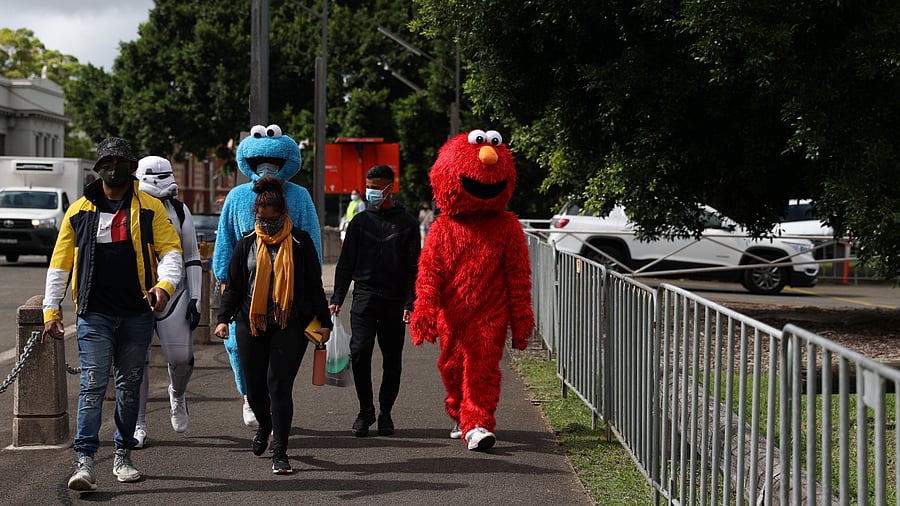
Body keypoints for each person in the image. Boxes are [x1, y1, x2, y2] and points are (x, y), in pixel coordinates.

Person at [42, 137, 184, 491]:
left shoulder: (151, 207)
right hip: (94, 314)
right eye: (107, 160)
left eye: (120, 160)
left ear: (132, 168)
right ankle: (85, 462)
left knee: (129, 385)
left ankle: (123, 456)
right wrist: (50, 310)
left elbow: (171, 253)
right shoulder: (79, 211)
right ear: (97, 167)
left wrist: (164, 287)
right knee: (91, 385)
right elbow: (60, 265)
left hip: (138, 312)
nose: (113, 166)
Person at [215, 176, 332, 475]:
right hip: (250, 322)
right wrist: (222, 319)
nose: (265, 225)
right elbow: (235, 287)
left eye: (271, 219)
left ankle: (280, 450)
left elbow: (314, 285)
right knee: (254, 390)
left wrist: (325, 321)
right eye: (260, 219)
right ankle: (264, 425)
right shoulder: (246, 244)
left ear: (283, 215)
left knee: (278, 385)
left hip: (289, 323)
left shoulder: (300, 242)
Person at [213, 124, 322, 428]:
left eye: (274, 163)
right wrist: (224, 278)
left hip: (288, 292)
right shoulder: (236, 197)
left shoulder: (299, 197)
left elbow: (311, 239)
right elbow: (226, 240)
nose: (267, 167)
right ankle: (250, 395)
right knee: (239, 347)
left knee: (281, 356)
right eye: (262, 162)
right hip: (246, 290)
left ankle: (275, 404)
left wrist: (312, 290)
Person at [329, 165, 420, 437]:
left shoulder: (407, 224)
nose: (371, 192)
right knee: (360, 353)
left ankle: (386, 411)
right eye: (369, 186)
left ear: (390, 187)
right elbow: (345, 264)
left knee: (392, 359)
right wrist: (337, 297)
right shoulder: (359, 223)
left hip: (394, 300)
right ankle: (365, 409)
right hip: (365, 297)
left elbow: (415, 267)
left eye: (377, 187)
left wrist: (410, 302)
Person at [132, 156, 204, 447]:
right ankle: (137, 423)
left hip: (173, 292)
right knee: (135, 363)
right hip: (136, 293)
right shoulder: (130, 208)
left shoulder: (178, 210)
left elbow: (192, 255)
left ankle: (178, 392)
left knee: (181, 359)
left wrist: (196, 297)